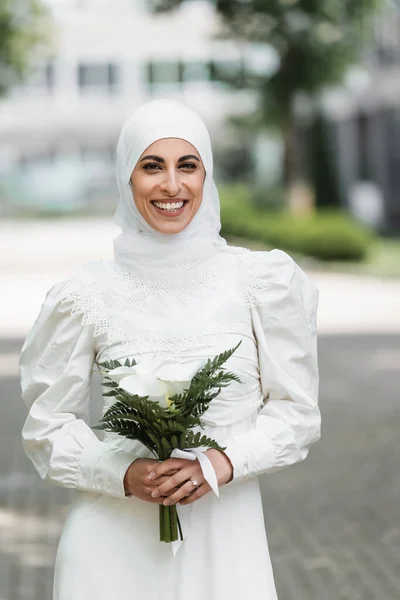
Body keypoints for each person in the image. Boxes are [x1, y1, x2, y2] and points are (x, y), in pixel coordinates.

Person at [19, 99, 321, 600]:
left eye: (188, 166)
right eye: (151, 166)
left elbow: (298, 414)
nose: (172, 186)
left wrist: (223, 462)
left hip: (225, 546)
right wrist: (125, 474)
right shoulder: (84, 295)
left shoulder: (259, 283)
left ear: (207, 175)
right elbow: (47, 429)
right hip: (110, 551)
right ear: (126, 177)